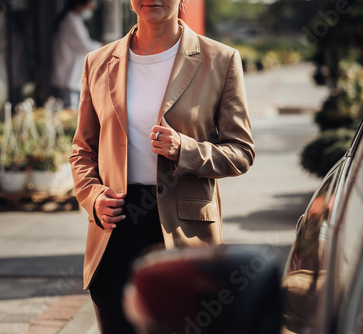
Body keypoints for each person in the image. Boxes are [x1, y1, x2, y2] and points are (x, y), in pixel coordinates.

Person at [69, 0, 255, 332]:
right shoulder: (97, 62)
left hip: (184, 232)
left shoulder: (221, 60)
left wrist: (184, 149)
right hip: (115, 227)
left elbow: (241, 152)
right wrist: (93, 197)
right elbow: (83, 150)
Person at [51, 0, 102, 109]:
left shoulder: (73, 19)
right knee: (69, 118)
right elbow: (85, 46)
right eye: (89, 5)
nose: (91, 8)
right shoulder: (71, 21)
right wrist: (104, 46)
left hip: (68, 79)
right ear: (80, 5)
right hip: (67, 80)